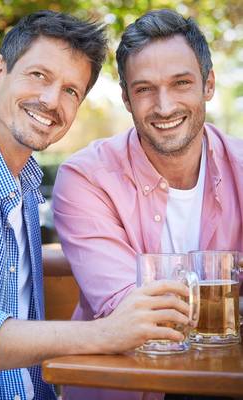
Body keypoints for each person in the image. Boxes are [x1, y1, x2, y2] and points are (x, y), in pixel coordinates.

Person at [0, 10, 191, 400]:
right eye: (38, 75)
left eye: (71, 90)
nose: (50, 100)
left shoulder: (20, 181)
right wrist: (103, 333)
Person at [53, 8, 243, 400]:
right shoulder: (86, 178)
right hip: (127, 387)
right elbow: (129, 313)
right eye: (144, 89)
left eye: (181, 83)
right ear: (125, 97)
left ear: (208, 84)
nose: (164, 106)